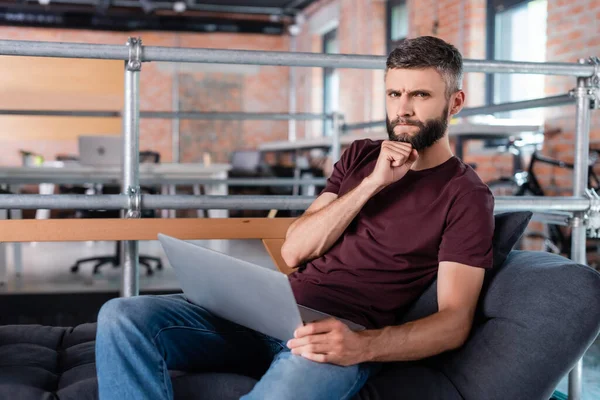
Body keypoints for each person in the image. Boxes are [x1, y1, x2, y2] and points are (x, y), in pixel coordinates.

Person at [95, 35, 494, 400]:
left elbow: (454, 322)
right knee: (122, 315)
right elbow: (295, 250)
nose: (402, 109)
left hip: (337, 336)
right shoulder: (362, 156)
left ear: (454, 103)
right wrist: (373, 184)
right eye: (394, 93)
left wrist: (362, 346)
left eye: (420, 95)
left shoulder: (466, 195)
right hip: (267, 311)